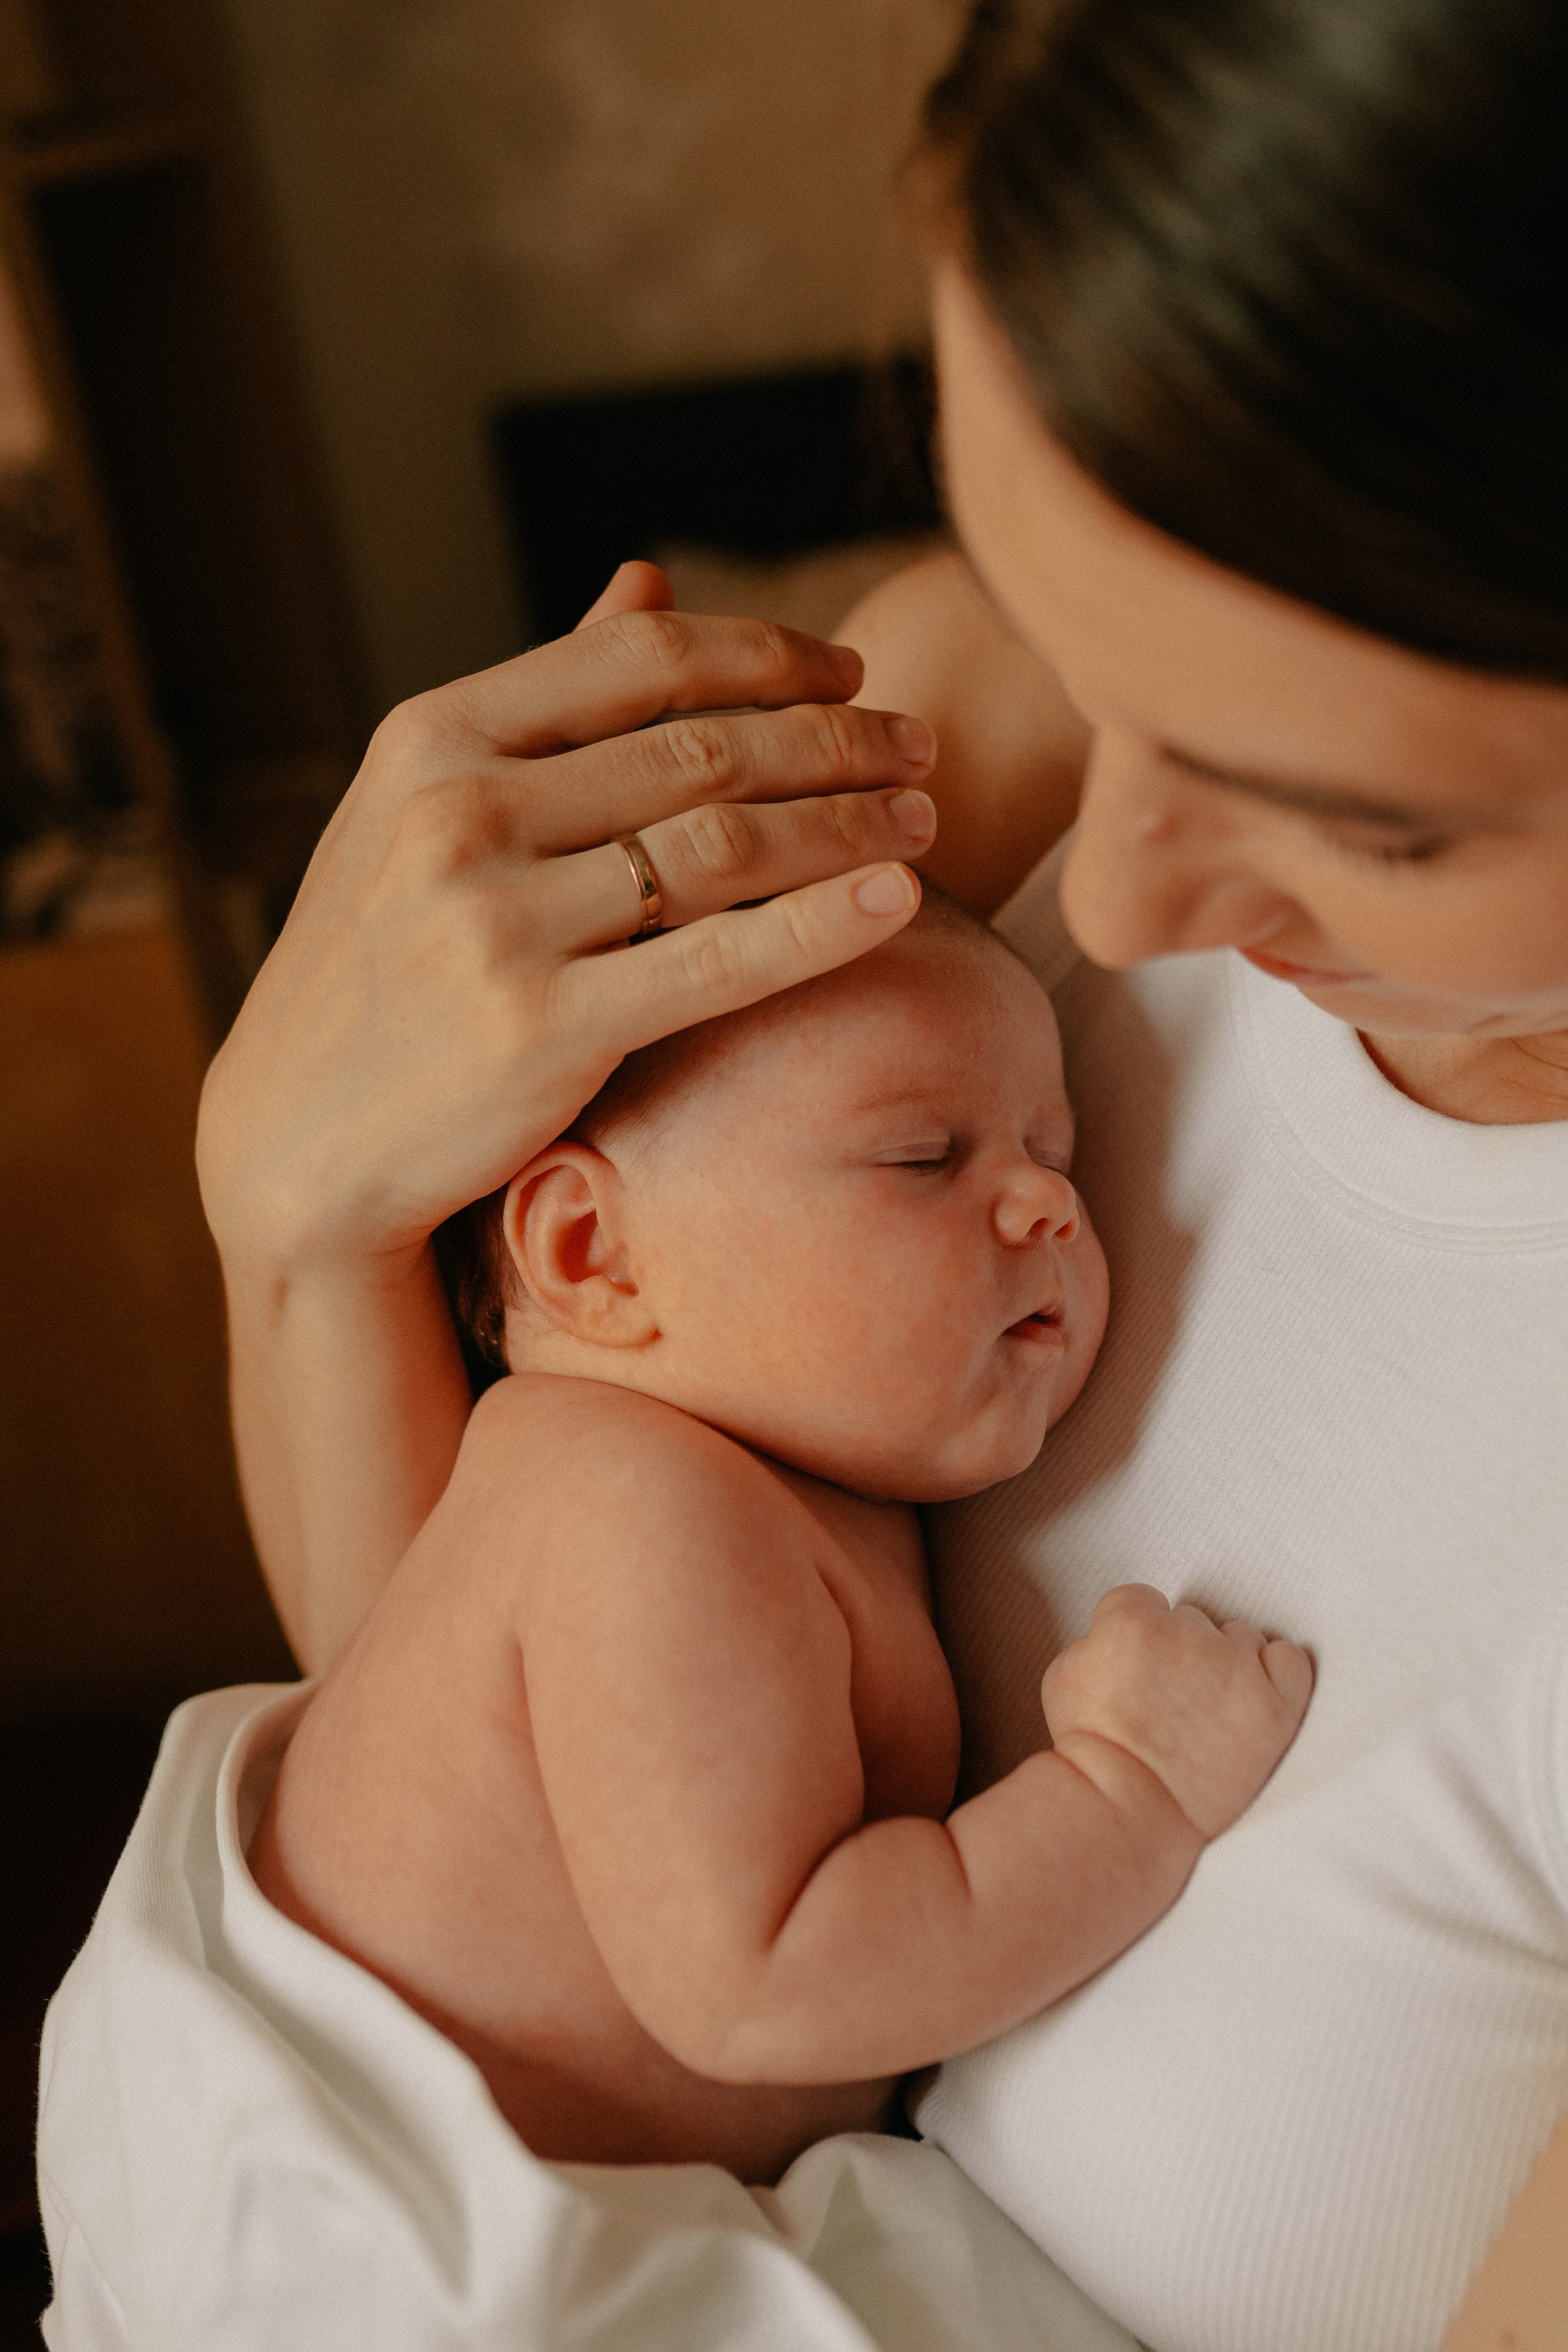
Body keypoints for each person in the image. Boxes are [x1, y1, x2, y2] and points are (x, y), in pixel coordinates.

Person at [42, 0, 1566, 2345]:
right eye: (1083, 622)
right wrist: (307, 1216)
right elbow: (477, 1757)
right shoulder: (937, 782)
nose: (1132, 904)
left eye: (1370, 821)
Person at [245, 891, 1310, 2185]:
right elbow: (768, 1988)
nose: (1046, 1205)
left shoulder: (749, 1478)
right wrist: (1128, 1795)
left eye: (1055, 1149)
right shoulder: (631, 1507)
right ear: (595, 1254)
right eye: (924, 1157)